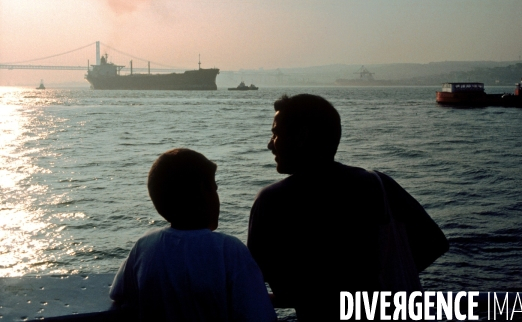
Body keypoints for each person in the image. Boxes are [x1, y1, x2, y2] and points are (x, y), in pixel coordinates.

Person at [247, 94, 448, 321]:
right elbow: (434, 243)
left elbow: (253, 281)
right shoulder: (379, 184)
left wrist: (311, 295)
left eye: (276, 134)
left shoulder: (273, 200)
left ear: (302, 136)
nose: (269, 144)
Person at [110, 148, 276, 322]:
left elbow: (118, 292)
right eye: (215, 188)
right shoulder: (229, 250)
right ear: (205, 191)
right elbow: (260, 316)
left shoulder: (144, 246)